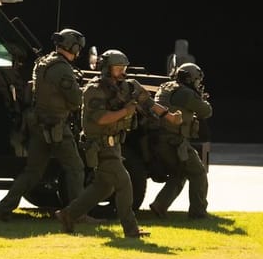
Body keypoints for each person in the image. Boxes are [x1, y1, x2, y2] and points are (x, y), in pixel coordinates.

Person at [54, 49, 183, 238]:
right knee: (124, 182)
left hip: (114, 144)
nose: (122, 72)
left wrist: (170, 117)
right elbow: (101, 118)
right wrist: (127, 111)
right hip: (98, 145)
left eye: (124, 68)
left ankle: (68, 215)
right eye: (117, 68)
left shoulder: (129, 86)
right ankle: (131, 229)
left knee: (103, 187)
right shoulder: (94, 89)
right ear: (106, 69)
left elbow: (148, 102)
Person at [0, 28, 87, 222]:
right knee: (75, 168)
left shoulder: (43, 63)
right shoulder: (62, 68)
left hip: (39, 125)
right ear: (73, 46)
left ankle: (2, 211)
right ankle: (77, 214)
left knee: (33, 172)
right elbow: (76, 100)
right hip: (56, 125)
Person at [148, 62, 213, 219]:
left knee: (181, 172)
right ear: (190, 79)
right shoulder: (186, 93)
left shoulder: (167, 86)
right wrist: (200, 98)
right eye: (197, 80)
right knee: (198, 172)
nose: (199, 83)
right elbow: (206, 111)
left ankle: (160, 205)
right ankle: (198, 213)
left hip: (159, 139)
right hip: (173, 141)